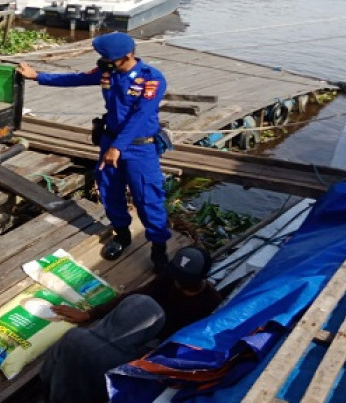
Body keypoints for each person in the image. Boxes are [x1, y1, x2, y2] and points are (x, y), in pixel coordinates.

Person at [17, 32, 171, 271]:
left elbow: (140, 117)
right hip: (110, 141)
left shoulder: (151, 79)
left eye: (108, 57)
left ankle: (159, 249)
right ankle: (122, 235)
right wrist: (38, 76)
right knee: (110, 191)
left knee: (148, 197)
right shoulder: (108, 72)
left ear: (127, 56)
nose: (104, 61)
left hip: (140, 147)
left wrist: (117, 148)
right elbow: (76, 78)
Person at [40, 245, 222, 403]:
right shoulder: (131, 365)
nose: (177, 281)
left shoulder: (210, 301)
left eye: (183, 280)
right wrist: (90, 314)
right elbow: (138, 295)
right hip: (137, 338)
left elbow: (46, 374)